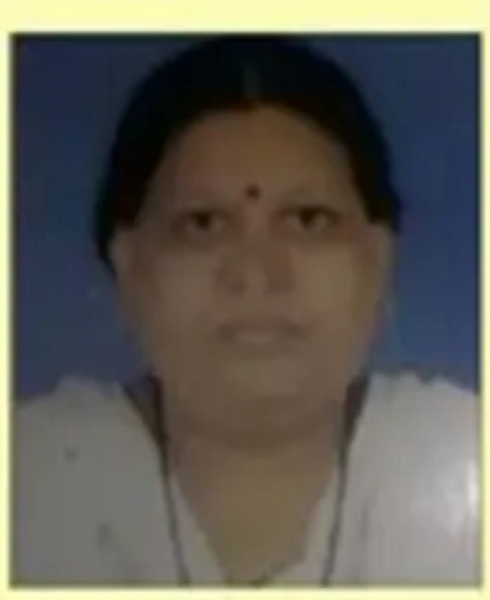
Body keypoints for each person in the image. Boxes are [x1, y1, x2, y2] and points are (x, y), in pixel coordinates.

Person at [12, 35, 479, 586]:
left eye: (308, 220)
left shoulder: (465, 453)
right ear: (128, 266)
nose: (257, 273)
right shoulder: (31, 477)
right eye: (203, 223)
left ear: (378, 261)